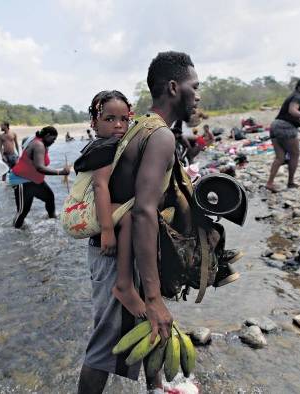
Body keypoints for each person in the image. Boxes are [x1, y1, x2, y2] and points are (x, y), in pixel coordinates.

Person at [77, 51, 200, 394]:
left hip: (122, 249)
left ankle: (156, 388)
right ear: (174, 87)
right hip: (117, 252)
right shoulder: (159, 135)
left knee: (150, 328)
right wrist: (154, 294)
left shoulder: (142, 127)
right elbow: (143, 210)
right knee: (105, 347)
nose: (199, 94)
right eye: (196, 86)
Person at [73, 90, 145, 318]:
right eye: (110, 119)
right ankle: (124, 285)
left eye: (124, 119)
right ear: (94, 122)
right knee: (107, 322)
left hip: (115, 230)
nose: (118, 125)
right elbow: (100, 186)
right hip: (107, 234)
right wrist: (106, 231)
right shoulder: (105, 147)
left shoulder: (113, 144)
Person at [10, 126, 70, 228]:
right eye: (53, 139)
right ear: (47, 135)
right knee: (23, 211)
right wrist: (61, 172)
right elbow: (40, 168)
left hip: (34, 181)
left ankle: (52, 221)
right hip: (22, 180)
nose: (54, 142)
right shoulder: (38, 145)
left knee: (49, 197)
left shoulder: (41, 143)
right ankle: (14, 232)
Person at [265, 78, 300, 192]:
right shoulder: (297, 97)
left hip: (275, 126)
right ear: (298, 87)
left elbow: (294, 116)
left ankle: (269, 183)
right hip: (285, 128)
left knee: (280, 157)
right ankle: (290, 182)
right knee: (295, 154)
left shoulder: (294, 95)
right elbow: (292, 111)